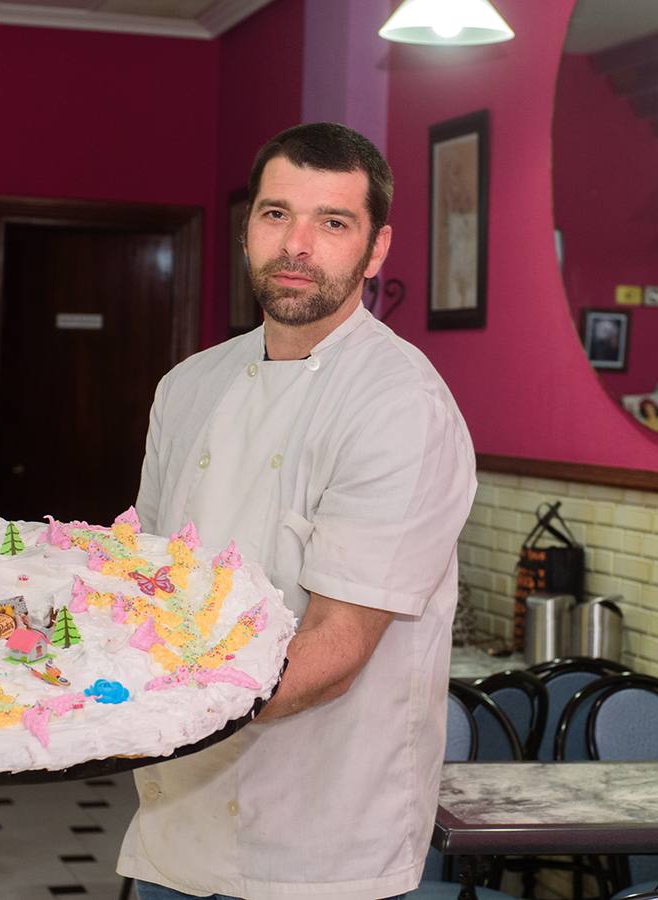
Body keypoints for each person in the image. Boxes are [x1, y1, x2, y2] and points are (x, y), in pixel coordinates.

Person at [117, 123, 477, 900]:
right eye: (276, 214)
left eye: (333, 222)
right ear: (247, 228)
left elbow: (335, 648)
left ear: (376, 250)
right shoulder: (188, 386)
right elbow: (147, 571)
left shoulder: (398, 403)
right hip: (177, 817)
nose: (296, 245)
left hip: (322, 836)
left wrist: (122, 720)